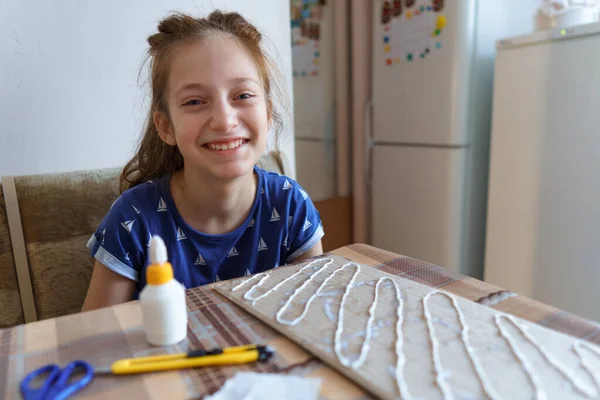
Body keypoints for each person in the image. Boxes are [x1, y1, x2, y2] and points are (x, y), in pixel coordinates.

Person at [81, 10, 324, 311]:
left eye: (243, 95)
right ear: (166, 127)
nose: (224, 121)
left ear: (268, 113)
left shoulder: (291, 207)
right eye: (195, 101)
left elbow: (315, 320)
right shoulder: (134, 218)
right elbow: (92, 339)